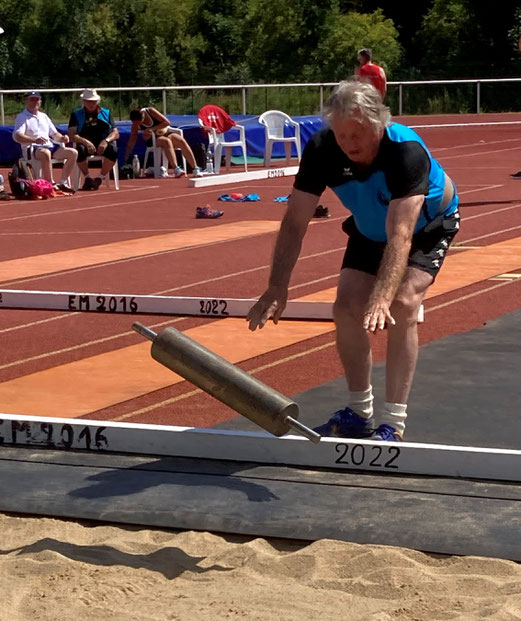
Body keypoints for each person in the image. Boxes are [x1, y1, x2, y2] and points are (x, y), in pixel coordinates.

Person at [246, 80, 460, 442]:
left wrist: (381, 296)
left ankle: (394, 422)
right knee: (346, 308)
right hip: (368, 229)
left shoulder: (406, 152)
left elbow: (401, 235)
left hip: (426, 228)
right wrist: (276, 286)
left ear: (381, 123)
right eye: (341, 134)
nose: (349, 144)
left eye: (358, 134)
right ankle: (359, 413)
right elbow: (295, 221)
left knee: (402, 304)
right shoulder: (322, 149)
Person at [12, 91, 77, 192]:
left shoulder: (44, 116)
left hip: (49, 146)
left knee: (73, 152)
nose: (35, 102)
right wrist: (34, 140)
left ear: (40, 102)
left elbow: (54, 134)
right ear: (25, 101)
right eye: (32, 99)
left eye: (37, 99)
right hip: (33, 148)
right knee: (45, 153)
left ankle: (63, 182)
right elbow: (18, 135)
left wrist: (62, 138)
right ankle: (50, 183)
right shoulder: (22, 117)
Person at [124, 107, 203, 178]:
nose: (139, 124)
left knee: (181, 140)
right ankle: (176, 169)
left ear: (143, 116)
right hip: (153, 139)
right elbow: (132, 139)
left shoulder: (150, 111)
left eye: (140, 122)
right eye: (136, 123)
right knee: (166, 141)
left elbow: (167, 122)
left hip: (164, 132)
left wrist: (153, 129)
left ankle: (195, 168)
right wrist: (127, 155)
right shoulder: (135, 124)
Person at [67, 88, 119, 191]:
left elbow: (115, 133)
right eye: (89, 102)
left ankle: (100, 178)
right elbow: (72, 134)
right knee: (79, 151)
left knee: (113, 150)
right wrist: (85, 142)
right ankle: (87, 177)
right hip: (84, 142)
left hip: (103, 142)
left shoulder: (106, 113)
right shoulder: (76, 115)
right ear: (84, 102)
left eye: (94, 102)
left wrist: (106, 141)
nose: (92, 104)